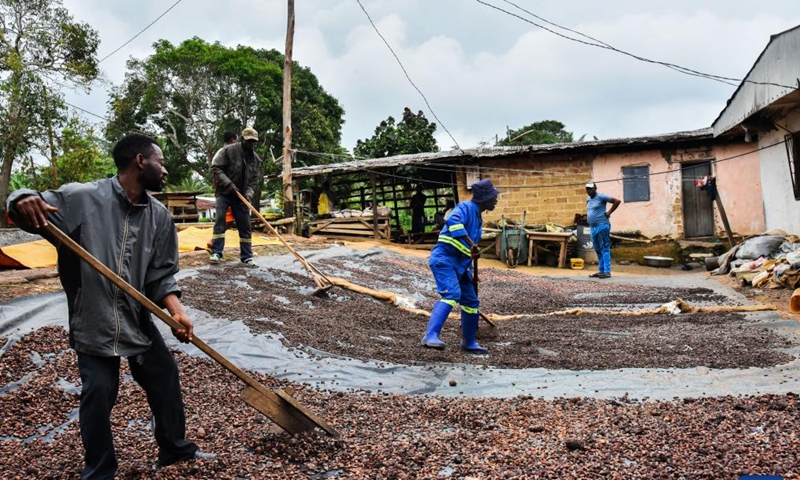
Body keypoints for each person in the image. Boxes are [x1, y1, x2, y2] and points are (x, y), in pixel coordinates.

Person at [6, 133, 213, 479]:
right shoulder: (83, 199)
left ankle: (175, 449)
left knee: (164, 377)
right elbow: (27, 207)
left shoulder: (159, 217)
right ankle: (100, 470)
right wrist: (21, 198)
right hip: (94, 314)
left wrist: (177, 310)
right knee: (100, 392)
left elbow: (161, 276)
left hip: (135, 313)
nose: (165, 170)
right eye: (160, 162)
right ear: (140, 162)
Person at [421, 179, 500, 354]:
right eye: (494, 197)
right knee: (452, 293)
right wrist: (471, 243)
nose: (496, 200)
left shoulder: (478, 217)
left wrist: (471, 270)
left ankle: (469, 342)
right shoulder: (465, 207)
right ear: (484, 198)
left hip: (462, 266)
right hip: (444, 259)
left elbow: (467, 251)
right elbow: (453, 222)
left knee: (471, 301)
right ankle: (430, 335)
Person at [210, 127, 262, 265]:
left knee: (245, 225)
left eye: (253, 141)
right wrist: (228, 184)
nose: (251, 144)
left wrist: (249, 193)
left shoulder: (255, 159)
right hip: (224, 193)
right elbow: (215, 167)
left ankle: (246, 256)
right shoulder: (228, 151)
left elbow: (254, 179)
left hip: (241, 197)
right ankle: (216, 252)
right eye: (248, 140)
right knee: (220, 221)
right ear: (242, 139)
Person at [585, 181, 621, 278]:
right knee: (597, 249)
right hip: (593, 228)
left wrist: (609, 212)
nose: (589, 190)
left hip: (602, 226)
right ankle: (601, 270)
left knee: (605, 248)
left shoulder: (601, 197)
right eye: (587, 189)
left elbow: (617, 201)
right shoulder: (588, 199)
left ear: (595, 189)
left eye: (590, 188)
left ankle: (607, 271)